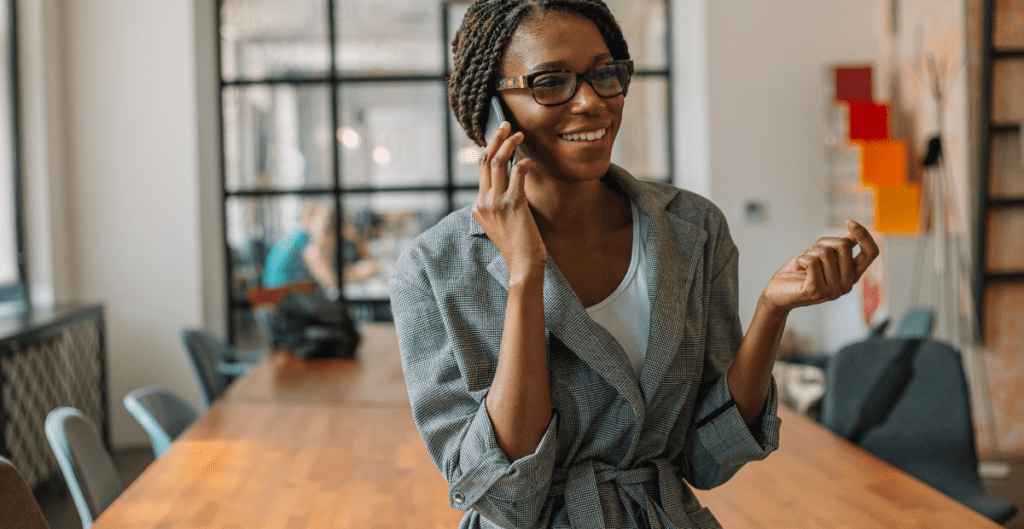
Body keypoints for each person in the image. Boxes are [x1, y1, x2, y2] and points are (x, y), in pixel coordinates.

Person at [388, 1, 879, 528]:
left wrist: (771, 313)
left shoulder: (693, 229)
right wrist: (525, 275)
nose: (591, 102)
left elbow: (707, 458)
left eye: (605, 75)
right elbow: (508, 498)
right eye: (550, 82)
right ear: (492, 109)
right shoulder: (433, 270)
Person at [262, 200, 341, 299]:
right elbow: (329, 280)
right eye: (322, 219)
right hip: (285, 298)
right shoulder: (306, 240)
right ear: (311, 217)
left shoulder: (293, 234)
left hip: (271, 293)